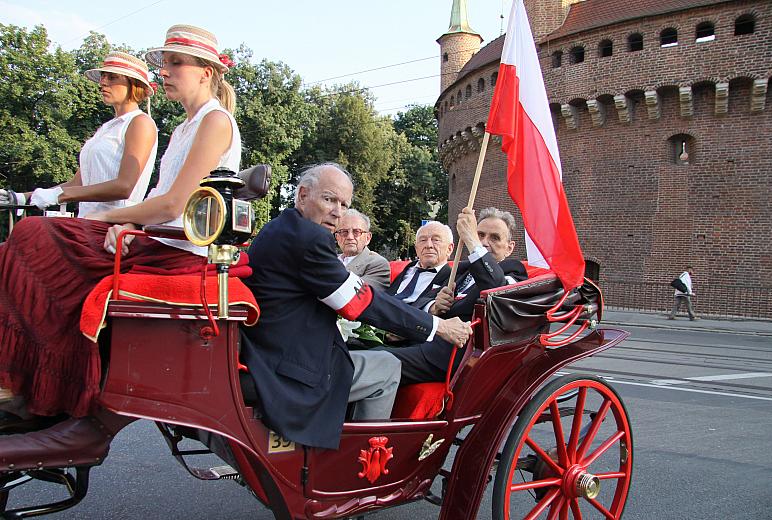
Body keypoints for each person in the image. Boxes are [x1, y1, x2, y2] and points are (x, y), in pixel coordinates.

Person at [0, 24, 241, 427]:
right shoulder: (185, 127)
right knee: (21, 244)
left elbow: (174, 203)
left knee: (31, 235)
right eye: (164, 63)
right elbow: (164, 201)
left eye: (175, 63)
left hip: (177, 251)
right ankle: (29, 381)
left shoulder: (215, 122)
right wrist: (125, 221)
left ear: (206, 71)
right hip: (158, 239)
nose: (164, 71)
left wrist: (112, 216)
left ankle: (33, 383)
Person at [240, 163, 472, 449]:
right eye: (329, 199)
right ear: (302, 195)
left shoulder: (278, 228)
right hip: (291, 370)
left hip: (268, 352)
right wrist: (438, 326)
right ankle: (360, 460)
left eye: (344, 203)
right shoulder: (309, 238)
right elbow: (359, 301)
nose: (338, 211)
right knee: (387, 366)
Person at [0, 51, 158, 217]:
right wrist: (22, 198)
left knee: (31, 230)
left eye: (112, 78)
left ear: (133, 84)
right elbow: (77, 183)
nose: (103, 83)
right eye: (103, 77)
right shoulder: (106, 128)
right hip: (87, 221)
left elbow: (124, 187)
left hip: (115, 226)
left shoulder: (140, 122)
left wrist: (59, 196)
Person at [387, 207, 527, 384]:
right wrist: (435, 306)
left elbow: (496, 290)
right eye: (480, 235)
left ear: (509, 248)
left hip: (453, 354)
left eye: (494, 238)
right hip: (420, 339)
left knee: (369, 362)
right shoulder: (457, 270)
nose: (484, 242)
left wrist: (471, 239)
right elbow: (423, 298)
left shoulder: (514, 271)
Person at [386, 221, 454, 307]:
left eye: (436, 240)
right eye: (423, 240)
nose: (428, 245)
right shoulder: (406, 270)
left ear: (449, 249)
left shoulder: (452, 279)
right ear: (416, 249)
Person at [335, 208, 390, 289]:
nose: (350, 237)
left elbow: (356, 294)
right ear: (337, 237)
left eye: (356, 232)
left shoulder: (377, 264)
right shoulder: (328, 260)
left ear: (368, 238)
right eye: (344, 232)